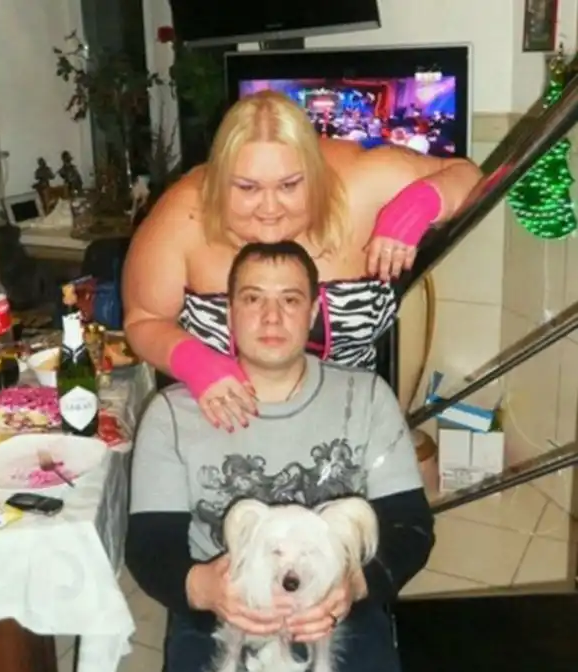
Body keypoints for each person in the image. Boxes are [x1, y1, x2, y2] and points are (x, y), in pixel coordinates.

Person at [126, 240, 435, 672]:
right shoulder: (172, 414)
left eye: (290, 300)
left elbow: (411, 527)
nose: (271, 317)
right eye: (253, 299)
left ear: (314, 311)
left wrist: (354, 585)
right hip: (219, 619)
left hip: (342, 616)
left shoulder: (366, 397)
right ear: (229, 311)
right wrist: (205, 587)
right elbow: (149, 547)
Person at [122, 90, 482, 430]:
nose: (269, 208)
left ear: (316, 173)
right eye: (247, 187)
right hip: (221, 428)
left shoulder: (362, 181)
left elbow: (468, 176)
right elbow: (144, 319)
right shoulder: (184, 212)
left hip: (351, 427)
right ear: (219, 181)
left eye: (289, 185)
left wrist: (420, 203)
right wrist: (193, 362)